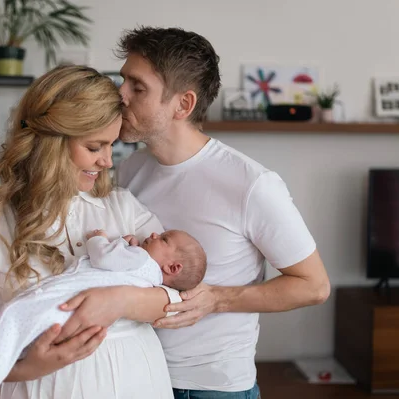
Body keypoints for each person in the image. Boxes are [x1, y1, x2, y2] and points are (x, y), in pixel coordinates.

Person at [0, 64, 183, 399]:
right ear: (51, 143)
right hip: (30, 388)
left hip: (136, 382)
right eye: (95, 147)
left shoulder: (123, 208)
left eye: (111, 146)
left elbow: (177, 299)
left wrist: (118, 300)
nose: (107, 161)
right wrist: (23, 369)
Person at [114, 26, 331, 398]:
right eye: (123, 82)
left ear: (183, 104)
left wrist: (218, 298)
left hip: (212, 389)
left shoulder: (252, 184)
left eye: (137, 87)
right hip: (135, 376)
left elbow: (314, 286)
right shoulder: (129, 170)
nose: (120, 95)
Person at [0, 228, 207, 385]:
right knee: (30, 323)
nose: (154, 234)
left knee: (19, 314)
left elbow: (104, 257)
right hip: (86, 331)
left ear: (173, 268)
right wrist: (126, 246)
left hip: (70, 302)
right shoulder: (149, 277)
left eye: (163, 239)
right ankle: (4, 355)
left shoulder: (142, 259)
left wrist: (99, 239)